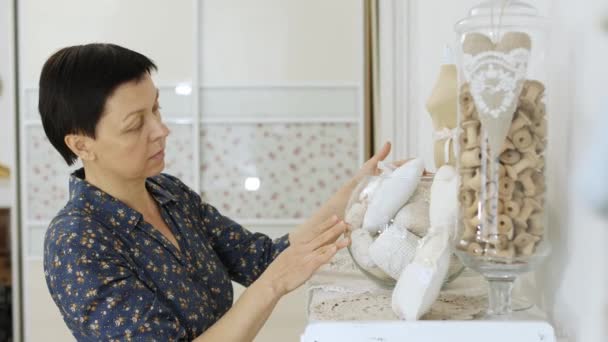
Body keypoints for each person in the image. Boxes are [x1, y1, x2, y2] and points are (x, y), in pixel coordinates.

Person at [40, 43, 393, 341]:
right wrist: (273, 284)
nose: (161, 130)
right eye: (135, 125)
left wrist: (358, 190)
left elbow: (262, 260)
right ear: (82, 145)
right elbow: (272, 275)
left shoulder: (169, 194)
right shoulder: (76, 241)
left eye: (156, 109)